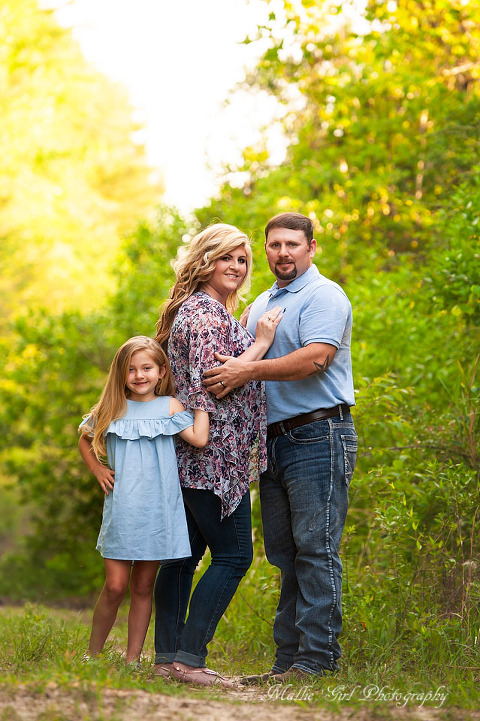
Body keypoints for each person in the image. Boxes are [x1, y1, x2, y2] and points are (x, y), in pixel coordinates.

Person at [203, 212, 358, 681]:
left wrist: (246, 370)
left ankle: (317, 661)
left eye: (292, 244)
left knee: (316, 547)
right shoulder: (264, 302)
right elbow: (234, 358)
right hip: (272, 442)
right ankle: (288, 662)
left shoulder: (323, 296)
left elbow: (315, 359)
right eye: (274, 245)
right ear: (265, 251)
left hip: (318, 433)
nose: (282, 253)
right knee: (285, 553)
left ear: (312, 247)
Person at [153, 223, 282, 688]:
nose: (236, 267)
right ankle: (189, 661)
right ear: (206, 260)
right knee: (233, 556)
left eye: (242, 260)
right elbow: (215, 378)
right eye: (227, 257)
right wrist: (263, 343)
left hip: (194, 455)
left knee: (182, 558)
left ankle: (167, 659)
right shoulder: (206, 314)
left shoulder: (198, 310)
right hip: (213, 459)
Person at [78, 335, 209, 665]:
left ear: (161, 371)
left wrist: (203, 402)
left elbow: (199, 438)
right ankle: (92, 655)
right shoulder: (112, 409)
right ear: (121, 374)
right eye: (131, 369)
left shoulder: (169, 407)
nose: (139, 375)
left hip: (158, 510)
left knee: (142, 587)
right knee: (115, 586)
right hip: (123, 509)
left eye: (147, 368)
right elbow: (84, 437)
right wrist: (97, 469)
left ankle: (132, 659)